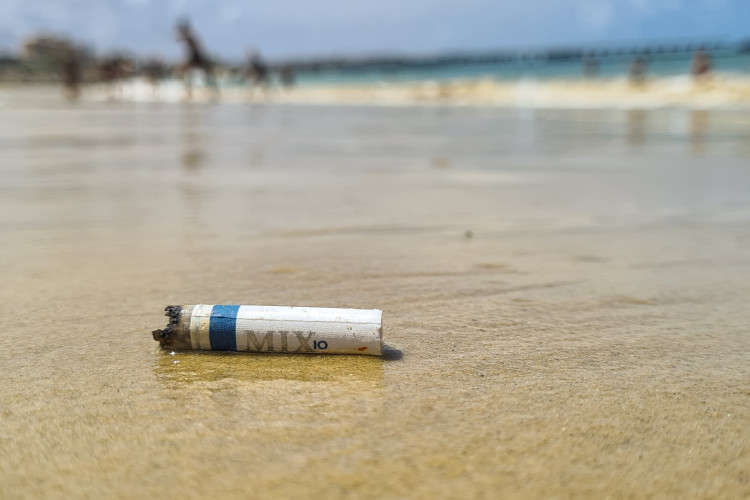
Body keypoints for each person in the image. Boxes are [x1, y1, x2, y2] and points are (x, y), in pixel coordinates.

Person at [176, 19, 218, 100]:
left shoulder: (190, 37)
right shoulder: (190, 37)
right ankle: (190, 93)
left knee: (188, 75)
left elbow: (193, 49)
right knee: (190, 76)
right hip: (196, 58)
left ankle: (191, 93)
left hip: (196, 58)